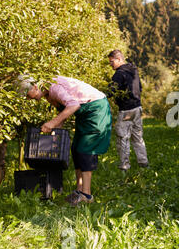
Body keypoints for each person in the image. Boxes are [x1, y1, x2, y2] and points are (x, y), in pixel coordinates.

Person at [18, 75, 112, 206]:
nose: (29, 98)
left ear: (35, 86)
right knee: (76, 149)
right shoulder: (48, 93)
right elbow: (64, 111)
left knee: (85, 149)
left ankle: (87, 195)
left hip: (96, 109)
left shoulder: (54, 88)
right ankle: (79, 190)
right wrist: (56, 129)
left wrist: (52, 123)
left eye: (28, 95)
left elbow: (73, 106)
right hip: (86, 113)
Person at [107, 50, 149, 171]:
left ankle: (124, 166)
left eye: (112, 61)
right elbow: (139, 88)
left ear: (119, 59)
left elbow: (111, 91)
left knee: (123, 137)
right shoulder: (133, 70)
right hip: (137, 107)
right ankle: (143, 163)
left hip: (126, 110)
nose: (111, 64)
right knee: (137, 136)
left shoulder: (119, 74)